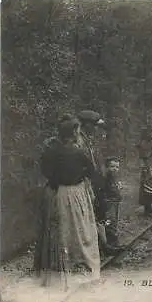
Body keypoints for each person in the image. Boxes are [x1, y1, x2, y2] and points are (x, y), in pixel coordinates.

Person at [34, 115, 101, 289]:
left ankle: (56, 271)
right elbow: (93, 171)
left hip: (53, 193)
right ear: (74, 132)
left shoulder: (51, 149)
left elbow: (45, 170)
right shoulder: (78, 151)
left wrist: (56, 181)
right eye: (77, 130)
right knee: (78, 231)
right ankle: (78, 269)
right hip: (73, 194)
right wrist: (81, 176)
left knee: (56, 231)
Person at [76, 110, 122, 254]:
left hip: (95, 183)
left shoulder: (88, 139)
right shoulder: (79, 141)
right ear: (87, 125)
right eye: (94, 126)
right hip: (85, 183)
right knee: (90, 215)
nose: (96, 129)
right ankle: (96, 247)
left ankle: (103, 244)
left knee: (99, 214)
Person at [102, 157, 123, 248]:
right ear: (107, 167)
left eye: (117, 167)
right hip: (109, 202)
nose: (115, 169)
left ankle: (113, 241)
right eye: (112, 166)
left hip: (115, 201)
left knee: (114, 221)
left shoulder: (114, 177)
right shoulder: (105, 178)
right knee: (110, 221)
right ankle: (111, 242)